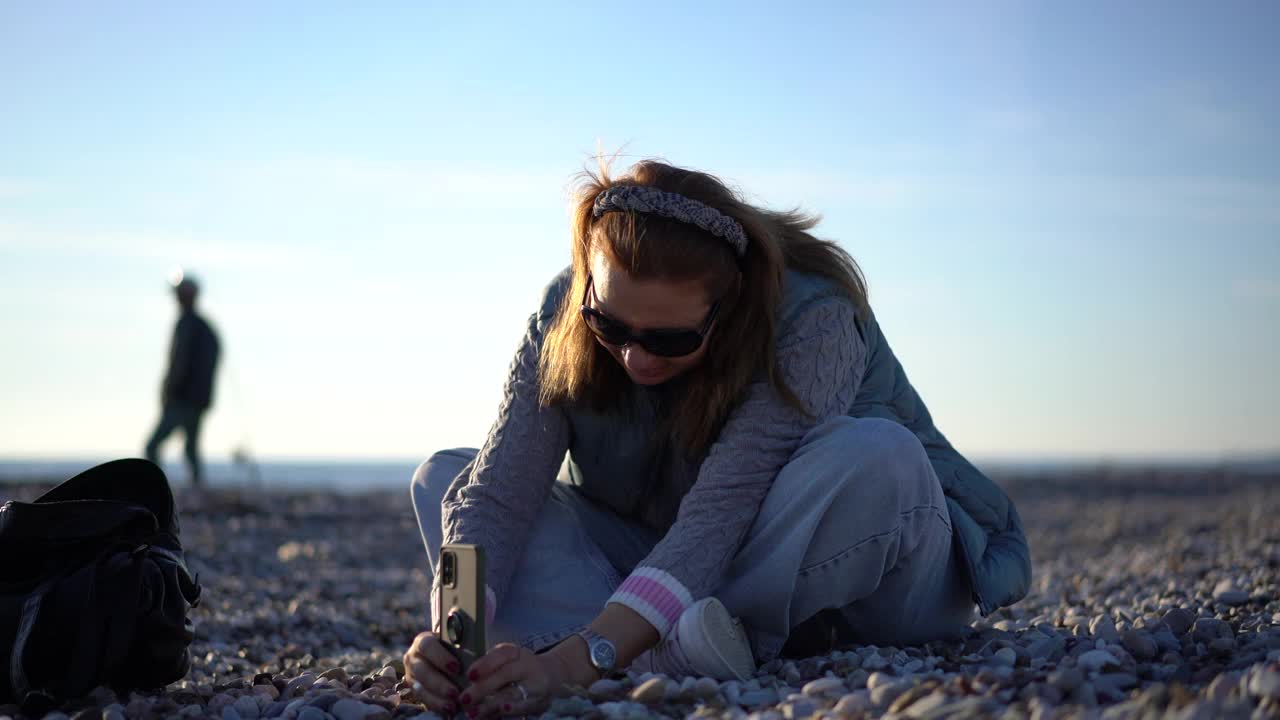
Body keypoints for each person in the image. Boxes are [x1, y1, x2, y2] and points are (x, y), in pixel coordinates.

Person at [405, 160, 1031, 719]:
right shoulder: (562, 311)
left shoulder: (815, 319)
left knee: (878, 455)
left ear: (728, 305)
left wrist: (577, 663)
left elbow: (723, 511)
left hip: (863, 574)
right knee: (447, 476)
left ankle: (632, 642)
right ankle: (673, 643)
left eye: (670, 340)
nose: (634, 358)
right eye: (609, 325)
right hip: (687, 565)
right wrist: (457, 636)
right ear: (588, 292)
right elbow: (499, 493)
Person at [144, 273, 220, 486]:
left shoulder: (188, 325)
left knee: (153, 445)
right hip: (198, 399)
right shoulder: (205, 327)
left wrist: (169, 389)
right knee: (191, 448)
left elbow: (179, 362)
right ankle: (197, 486)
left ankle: (154, 488)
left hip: (182, 398)